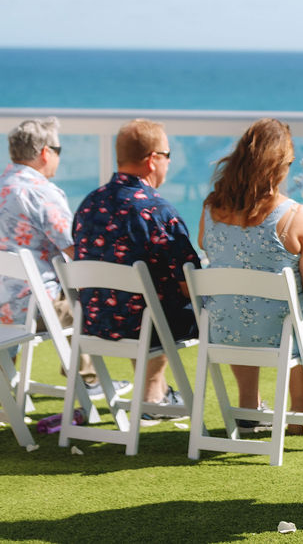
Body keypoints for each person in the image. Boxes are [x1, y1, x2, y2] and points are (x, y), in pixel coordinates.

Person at [199, 118, 303, 436]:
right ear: (279, 166)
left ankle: (249, 408)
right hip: (279, 332)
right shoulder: (294, 215)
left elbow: (205, 245)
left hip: (224, 328)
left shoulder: (211, 208)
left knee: (258, 306)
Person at [73, 118, 198, 422]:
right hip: (143, 326)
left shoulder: (89, 203)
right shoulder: (156, 210)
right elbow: (190, 282)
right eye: (168, 156)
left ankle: (156, 392)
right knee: (181, 301)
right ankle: (154, 395)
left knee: (142, 296)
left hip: (94, 320)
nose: (169, 163)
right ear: (153, 160)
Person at [0, 118, 123, 396]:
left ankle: (5, 386)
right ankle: (85, 381)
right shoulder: (41, 192)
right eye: (58, 150)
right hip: (34, 308)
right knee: (83, 303)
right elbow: (75, 249)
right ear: (46, 152)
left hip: (3, 305)